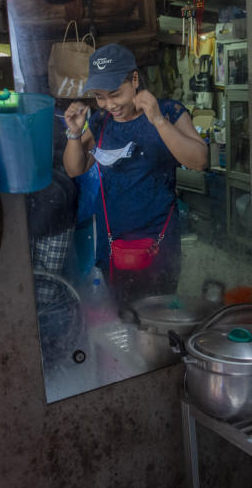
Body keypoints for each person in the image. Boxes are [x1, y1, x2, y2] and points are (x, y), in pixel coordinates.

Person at [63, 43, 208, 302]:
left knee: (158, 317)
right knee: (124, 318)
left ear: (135, 79)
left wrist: (158, 121)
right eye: (99, 96)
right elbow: (74, 169)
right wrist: (74, 133)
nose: (109, 104)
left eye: (115, 94)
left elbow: (199, 160)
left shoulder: (169, 112)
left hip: (159, 243)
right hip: (112, 242)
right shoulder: (100, 122)